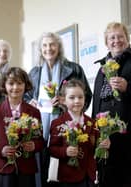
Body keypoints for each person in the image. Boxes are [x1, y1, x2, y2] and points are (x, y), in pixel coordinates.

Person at [24, 32, 92, 187]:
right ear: (40, 49)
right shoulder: (34, 72)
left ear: (59, 47)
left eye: (52, 44)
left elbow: (86, 96)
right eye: (45, 45)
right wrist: (31, 103)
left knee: (63, 169)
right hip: (40, 126)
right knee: (42, 165)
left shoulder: (73, 69)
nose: (49, 48)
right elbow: (25, 96)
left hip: (66, 126)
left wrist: (66, 101)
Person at [0, 67, 44, 187]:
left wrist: (34, 145)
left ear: (25, 85)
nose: (15, 87)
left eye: (19, 83)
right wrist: (1, 149)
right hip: (3, 169)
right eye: (11, 83)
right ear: (4, 86)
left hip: (26, 168)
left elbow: (40, 140)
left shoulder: (34, 112)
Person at [92, 22, 131, 187]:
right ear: (106, 42)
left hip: (127, 137)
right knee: (106, 178)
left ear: (127, 39)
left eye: (120, 36)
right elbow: (96, 103)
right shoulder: (101, 69)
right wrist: (94, 132)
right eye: (112, 37)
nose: (116, 40)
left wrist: (128, 87)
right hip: (105, 135)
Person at [49, 79, 97, 187]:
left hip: (89, 176)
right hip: (68, 177)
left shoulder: (92, 122)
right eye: (72, 97)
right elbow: (52, 149)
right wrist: (65, 151)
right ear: (63, 100)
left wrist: (104, 143)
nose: (77, 101)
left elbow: (95, 146)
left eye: (80, 97)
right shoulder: (57, 123)